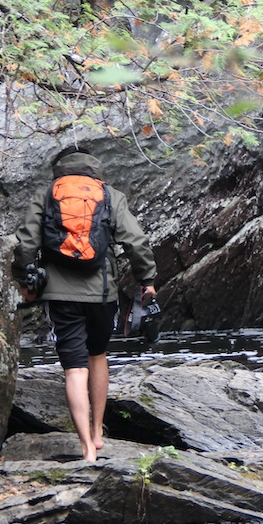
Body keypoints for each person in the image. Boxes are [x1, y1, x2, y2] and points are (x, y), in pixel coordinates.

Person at [14, 146, 157, 462]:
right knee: (98, 355)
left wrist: (25, 282)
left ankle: (86, 448)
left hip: (61, 294)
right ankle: (97, 431)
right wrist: (146, 279)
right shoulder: (109, 194)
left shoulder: (48, 193)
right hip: (102, 292)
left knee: (74, 367)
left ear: (59, 168)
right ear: (94, 166)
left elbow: (25, 244)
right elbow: (136, 240)